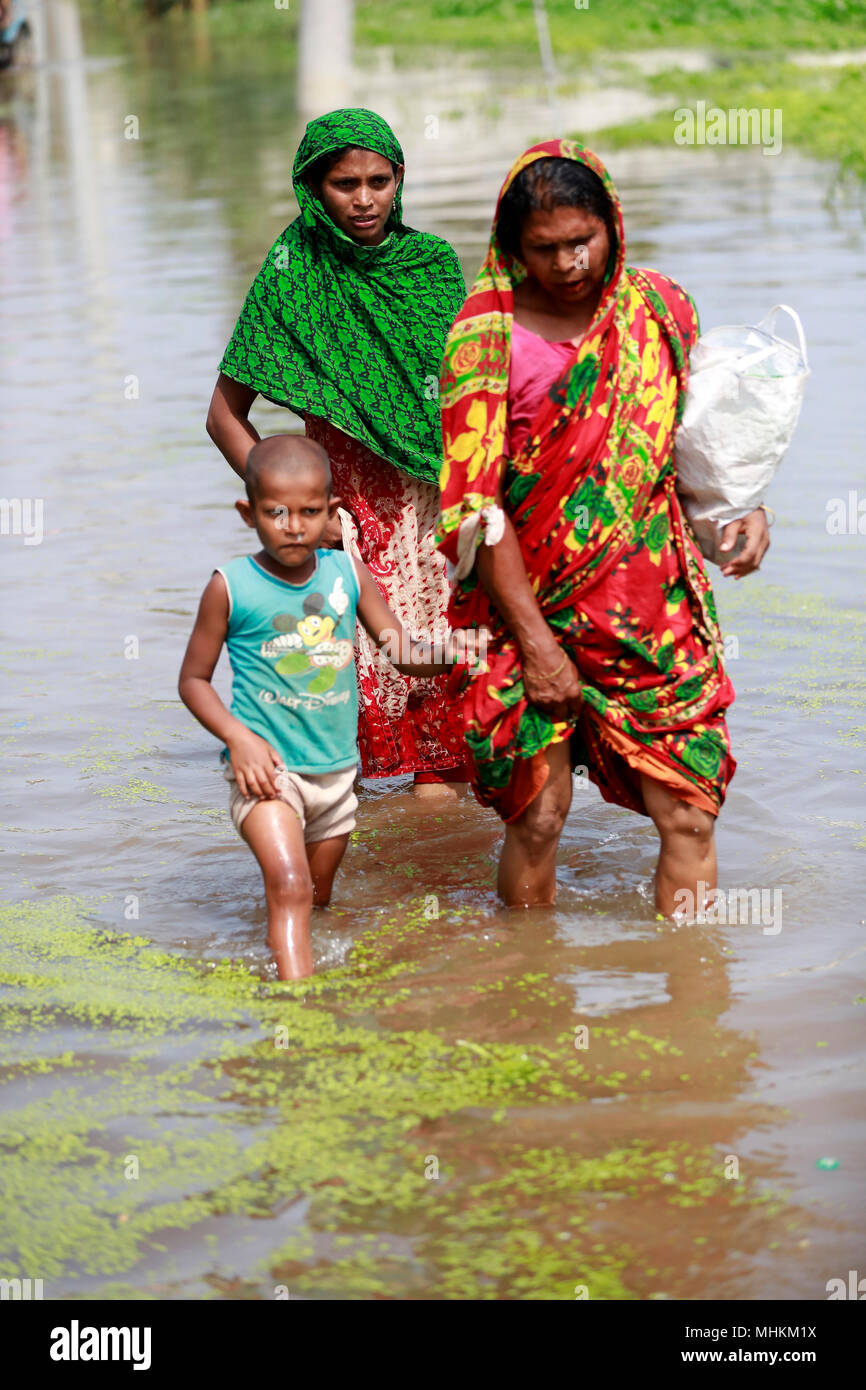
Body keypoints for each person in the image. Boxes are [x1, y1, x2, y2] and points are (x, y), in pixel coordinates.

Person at [436, 140, 771, 916]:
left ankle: (694, 1010)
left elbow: (691, 451)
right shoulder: (485, 341)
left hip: (650, 615)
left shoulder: (660, 311)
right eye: (544, 249)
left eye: (582, 240)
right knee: (540, 816)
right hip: (526, 615)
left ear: (614, 225)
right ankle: (532, 994)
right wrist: (540, 648)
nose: (569, 263)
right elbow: (476, 514)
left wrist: (743, 511)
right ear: (513, 251)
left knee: (688, 810)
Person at [206, 108, 471, 800]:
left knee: (444, 741)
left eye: (378, 181)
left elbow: (473, 400)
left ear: (399, 180)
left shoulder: (431, 266)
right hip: (347, 520)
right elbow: (224, 416)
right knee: (338, 717)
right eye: (342, 182)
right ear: (311, 187)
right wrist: (296, 510)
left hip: (433, 513)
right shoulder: (293, 272)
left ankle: (438, 880)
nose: (362, 199)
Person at [179, 436, 467, 981]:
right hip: (267, 775)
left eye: (310, 512)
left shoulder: (346, 575)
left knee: (317, 897)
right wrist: (238, 740)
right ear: (249, 513)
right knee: (289, 889)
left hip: (335, 778)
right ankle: (301, 1012)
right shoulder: (231, 587)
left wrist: (465, 652)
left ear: (333, 513)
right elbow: (194, 680)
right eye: (276, 512)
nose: (293, 525)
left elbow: (403, 654)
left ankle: (294, 967)